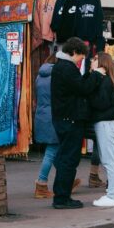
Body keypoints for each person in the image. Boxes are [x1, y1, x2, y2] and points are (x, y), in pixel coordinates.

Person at [50, 37, 101, 209]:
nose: (81, 60)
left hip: (62, 118)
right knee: (69, 159)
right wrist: (94, 73)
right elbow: (83, 88)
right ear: (74, 52)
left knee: (65, 157)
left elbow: (78, 85)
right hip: (70, 119)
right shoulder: (67, 68)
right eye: (80, 56)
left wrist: (87, 75)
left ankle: (61, 194)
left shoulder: (60, 67)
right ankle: (62, 197)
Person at [33, 54, 79, 198]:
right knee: (52, 150)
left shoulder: (39, 77)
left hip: (41, 116)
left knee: (56, 150)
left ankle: (66, 180)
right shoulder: (57, 76)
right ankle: (41, 183)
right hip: (53, 116)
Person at [88, 53, 114, 208]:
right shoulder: (106, 81)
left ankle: (112, 195)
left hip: (105, 124)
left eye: (94, 59)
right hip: (105, 123)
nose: (91, 61)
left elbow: (100, 103)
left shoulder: (104, 81)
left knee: (109, 160)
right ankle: (111, 193)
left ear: (101, 63)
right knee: (108, 159)